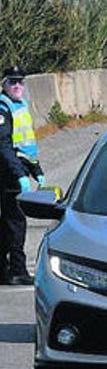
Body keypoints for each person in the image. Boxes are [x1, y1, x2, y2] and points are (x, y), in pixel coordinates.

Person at [0, 66, 43, 286]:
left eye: (20, 82)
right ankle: (16, 270)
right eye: (12, 82)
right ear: (4, 85)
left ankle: (4, 269)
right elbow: (4, 146)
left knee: (9, 221)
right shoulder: (3, 108)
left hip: (18, 171)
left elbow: (27, 146)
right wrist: (19, 176)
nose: (17, 86)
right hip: (8, 174)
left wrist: (37, 171)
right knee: (15, 222)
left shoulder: (21, 106)